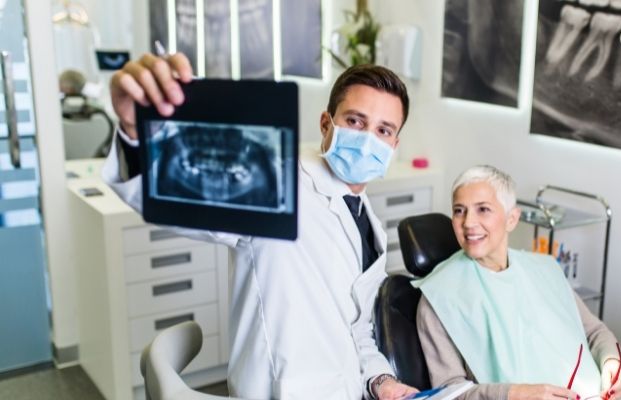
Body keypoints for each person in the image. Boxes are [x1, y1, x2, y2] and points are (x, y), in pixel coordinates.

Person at [103, 52, 419, 400]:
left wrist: (380, 381)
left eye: (383, 130)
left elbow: (357, 328)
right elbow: (184, 196)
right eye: (356, 122)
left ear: (394, 144)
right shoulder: (276, 182)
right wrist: (137, 132)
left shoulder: (365, 217)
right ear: (327, 124)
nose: (368, 140)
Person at [413, 165, 621, 400]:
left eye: (483, 209)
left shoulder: (545, 270)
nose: (468, 223)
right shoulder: (439, 297)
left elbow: (595, 332)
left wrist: (611, 362)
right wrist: (512, 394)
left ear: (511, 219)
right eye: (459, 211)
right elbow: (449, 394)